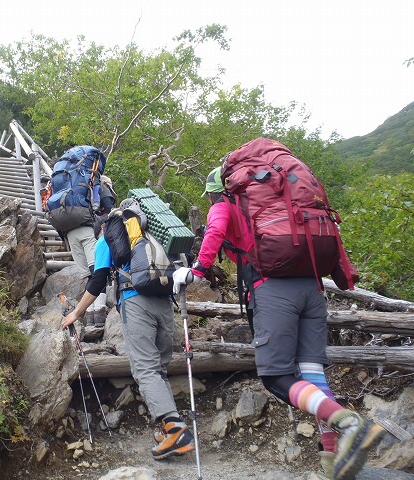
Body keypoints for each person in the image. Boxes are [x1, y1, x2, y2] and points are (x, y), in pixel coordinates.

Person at [172, 166, 386, 480]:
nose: (210, 201)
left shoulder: (225, 205)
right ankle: (333, 464)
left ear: (221, 190)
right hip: (312, 289)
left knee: (277, 377)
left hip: (275, 290)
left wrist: (197, 271)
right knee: (313, 377)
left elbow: (215, 231)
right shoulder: (277, 207)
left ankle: (351, 424)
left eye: (211, 195)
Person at [61, 202, 196, 460]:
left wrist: (76, 313)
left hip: (136, 303)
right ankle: (167, 431)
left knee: (145, 369)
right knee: (158, 369)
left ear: (103, 227)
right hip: (166, 303)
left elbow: (98, 280)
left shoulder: (106, 239)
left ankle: (176, 431)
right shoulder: (150, 237)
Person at [69, 174, 117, 327]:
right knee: (98, 272)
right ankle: (99, 315)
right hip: (89, 229)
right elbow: (110, 212)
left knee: (89, 276)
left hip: (70, 233)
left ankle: (90, 317)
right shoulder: (102, 189)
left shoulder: (72, 192)